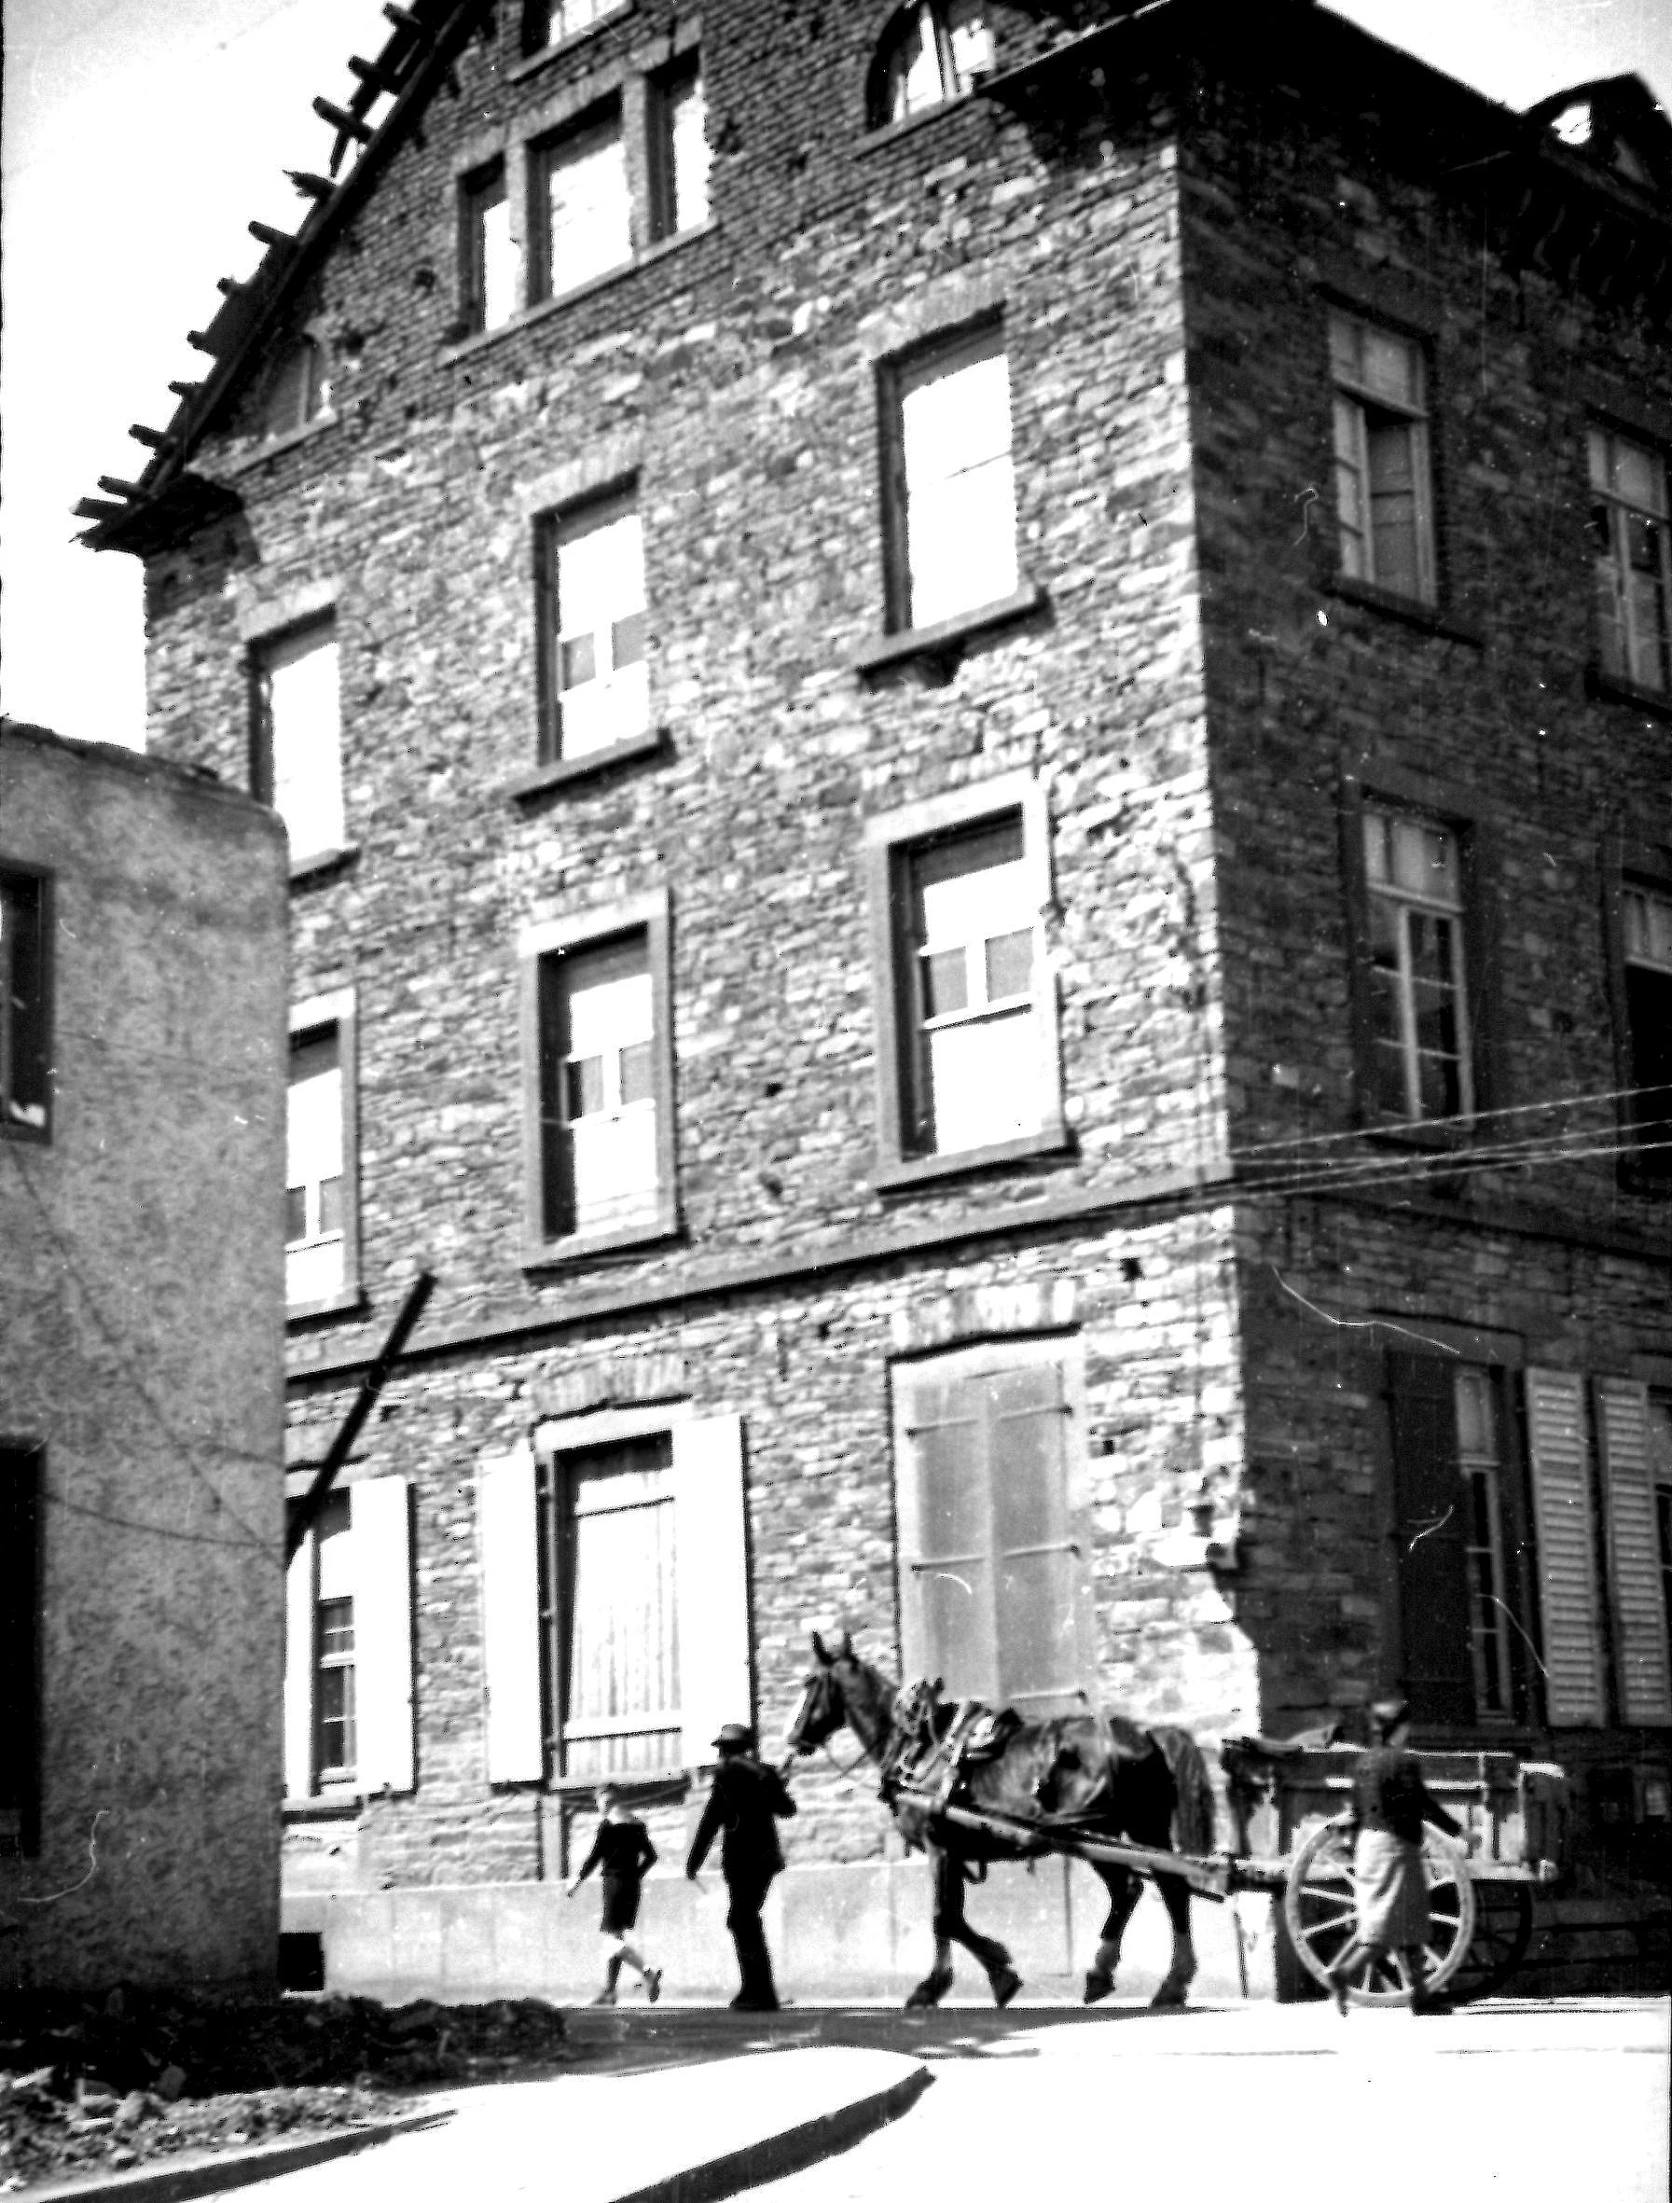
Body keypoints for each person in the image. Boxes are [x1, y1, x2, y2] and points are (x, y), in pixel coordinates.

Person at [1326, 1695, 1463, 2016]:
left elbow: (1357, 1811)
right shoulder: (1404, 1763)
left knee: (1404, 1920)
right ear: (1400, 1729)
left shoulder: (1363, 1763)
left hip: (1369, 1846)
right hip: (1396, 1846)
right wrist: (1459, 1831)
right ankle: (1344, 1973)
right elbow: (1423, 1804)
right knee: (1392, 1923)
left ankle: (1419, 1995)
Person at [685, 1722, 796, 2012]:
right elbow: (787, 1809)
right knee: (745, 1919)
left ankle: (758, 1992)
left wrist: (693, 1861)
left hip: (740, 1859)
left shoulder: (726, 1775)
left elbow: (711, 1819)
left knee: (742, 1920)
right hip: (766, 1860)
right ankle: (758, 1990)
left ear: (724, 1750)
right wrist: (778, 1784)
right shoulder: (764, 1772)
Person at [566, 1783, 661, 2006]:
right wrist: (635, 1875)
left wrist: (576, 1883)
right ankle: (610, 1992)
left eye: (599, 1802)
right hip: (631, 1886)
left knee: (610, 1940)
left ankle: (648, 1971)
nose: (599, 1806)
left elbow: (594, 1857)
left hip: (614, 1885)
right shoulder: (637, 1824)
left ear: (604, 1801)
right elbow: (651, 1856)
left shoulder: (607, 1826)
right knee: (617, 1937)